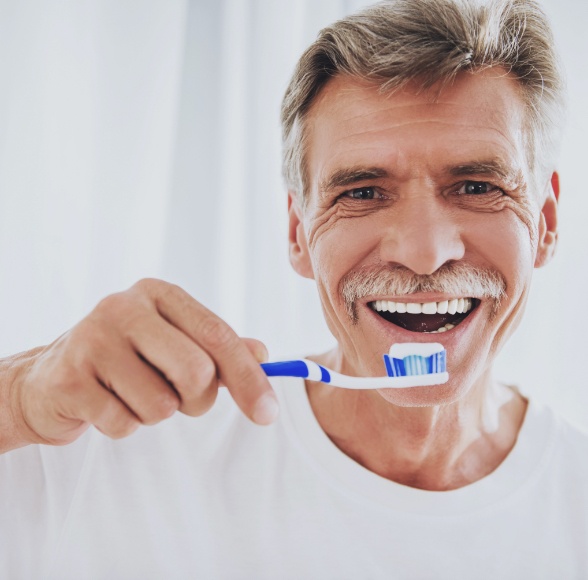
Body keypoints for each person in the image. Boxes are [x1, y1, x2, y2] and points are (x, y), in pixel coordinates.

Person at [1, 0, 587, 578]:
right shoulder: (117, 440)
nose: (424, 251)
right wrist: (18, 400)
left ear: (546, 222)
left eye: (478, 185)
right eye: (361, 193)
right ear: (298, 234)